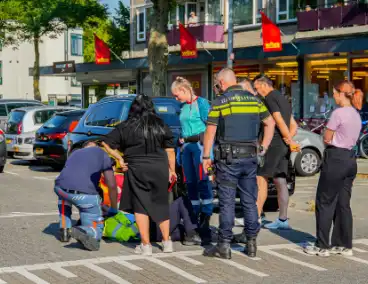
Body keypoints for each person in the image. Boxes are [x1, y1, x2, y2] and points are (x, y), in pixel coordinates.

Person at [202, 68, 275, 258]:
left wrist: (206, 157)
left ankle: (224, 245)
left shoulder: (221, 101)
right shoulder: (254, 100)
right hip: (250, 158)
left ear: (223, 83)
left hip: (228, 160)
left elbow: (210, 131)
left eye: (217, 84)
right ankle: (251, 243)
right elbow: (270, 123)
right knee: (249, 201)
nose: (217, 88)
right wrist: (263, 147)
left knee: (227, 202)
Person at [102, 94, 176, 256]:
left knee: (140, 206)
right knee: (161, 204)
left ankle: (146, 245)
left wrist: (120, 159)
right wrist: (172, 170)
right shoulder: (160, 125)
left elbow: (106, 143)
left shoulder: (126, 126)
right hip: (159, 167)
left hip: (136, 168)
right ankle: (167, 242)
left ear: (133, 108)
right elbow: (170, 151)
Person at [304, 81, 361, 257]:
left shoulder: (338, 113)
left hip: (335, 158)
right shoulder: (355, 113)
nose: (333, 97)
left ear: (341, 94)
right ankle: (344, 244)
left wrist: (331, 136)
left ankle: (322, 245)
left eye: (335, 94)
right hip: (350, 159)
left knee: (324, 201)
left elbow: (327, 138)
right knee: (343, 204)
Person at [253, 75, 299, 230]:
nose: (256, 91)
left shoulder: (270, 98)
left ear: (263, 84)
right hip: (283, 146)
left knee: (261, 178)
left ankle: (256, 217)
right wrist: (289, 139)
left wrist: (289, 140)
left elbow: (278, 120)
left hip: (273, 144)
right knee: (280, 181)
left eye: (256, 87)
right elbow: (294, 125)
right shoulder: (283, 98)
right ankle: (283, 219)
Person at [54, 141, 118, 251]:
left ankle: (65, 230)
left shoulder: (75, 153)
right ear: (97, 147)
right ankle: (87, 231)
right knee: (93, 220)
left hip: (60, 189)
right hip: (85, 196)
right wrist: (113, 208)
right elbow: (111, 185)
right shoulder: (101, 153)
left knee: (65, 199)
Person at [171, 76, 213, 243]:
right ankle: (194, 216)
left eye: (176, 95)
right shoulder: (183, 107)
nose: (176, 98)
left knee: (204, 181)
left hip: (200, 147)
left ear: (183, 90)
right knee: (190, 183)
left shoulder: (201, 103)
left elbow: (210, 126)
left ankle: (206, 216)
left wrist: (208, 152)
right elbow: (183, 127)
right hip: (186, 148)